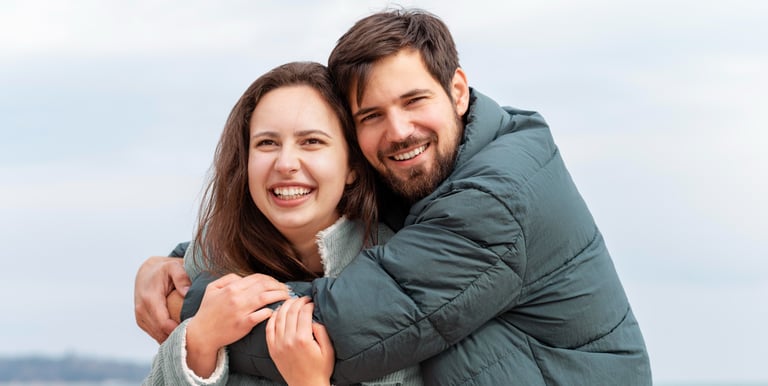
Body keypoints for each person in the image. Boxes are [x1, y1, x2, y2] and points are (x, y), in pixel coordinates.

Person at [136, 8, 653, 385]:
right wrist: (176, 262)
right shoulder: (428, 171)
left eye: (414, 101)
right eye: (371, 116)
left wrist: (196, 309)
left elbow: (349, 328)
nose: (399, 131)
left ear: (457, 91)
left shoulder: (496, 198)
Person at [141, 61, 423, 385]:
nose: (286, 163)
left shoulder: (390, 272)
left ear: (352, 166)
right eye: (267, 143)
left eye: (311, 142)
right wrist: (199, 345)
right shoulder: (208, 263)